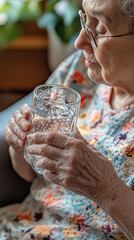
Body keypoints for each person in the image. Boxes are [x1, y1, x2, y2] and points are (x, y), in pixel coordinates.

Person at [1, 0, 134, 239]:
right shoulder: (81, 71)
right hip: (24, 225)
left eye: (101, 28)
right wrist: (19, 146)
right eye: (85, 20)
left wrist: (106, 189)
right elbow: (30, 173)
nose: (79, 42)